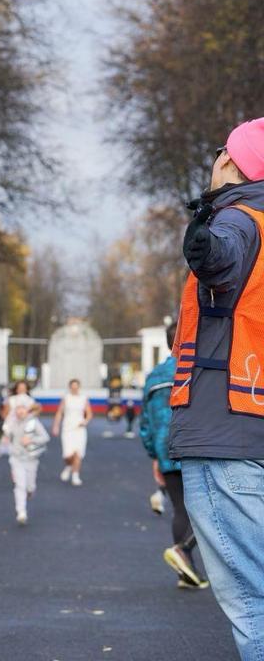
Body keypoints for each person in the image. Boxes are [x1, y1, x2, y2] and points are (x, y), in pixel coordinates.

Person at [170, 117, 264, 659]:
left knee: (253, 601)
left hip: (224, 436)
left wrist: (210, 203)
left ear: (231, 163)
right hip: (250, 425)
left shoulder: (241, 221)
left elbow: (213, 257)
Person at [139, 321, 207, 590]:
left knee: (180, 509)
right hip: (195, 446)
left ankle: (184, 573)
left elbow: (146, 421)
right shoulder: (195, 368)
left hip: (165, 448)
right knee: (209, 509)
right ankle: (185, 553)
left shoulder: (154, 375)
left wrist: (153, 453)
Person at [3, 403, 49, 525]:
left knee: (30, 487)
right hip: (16, 458)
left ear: (26, 411)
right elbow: (7, 434)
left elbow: (45, 437)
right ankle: (21, 512)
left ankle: (29, 493)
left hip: (31, 458)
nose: (20, 413)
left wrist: (31, 440)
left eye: (22, 410)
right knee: (20, 485)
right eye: (17, 411)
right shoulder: (11, 423)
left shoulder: (33, 422)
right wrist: (6, 436)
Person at [52, 378, 92, 487]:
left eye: (76, 386)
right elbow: (59, 413)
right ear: (70, 387)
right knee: (68, 455)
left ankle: (75, 475)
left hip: (79, 428)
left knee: (78, 453)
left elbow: (89, 413)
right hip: (67, 428)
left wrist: (85, 421)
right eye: (72, 386)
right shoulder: (66, 398)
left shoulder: (84, 398)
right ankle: (69, 466)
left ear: (79, 387)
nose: (74, 388)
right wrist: (56, 426)